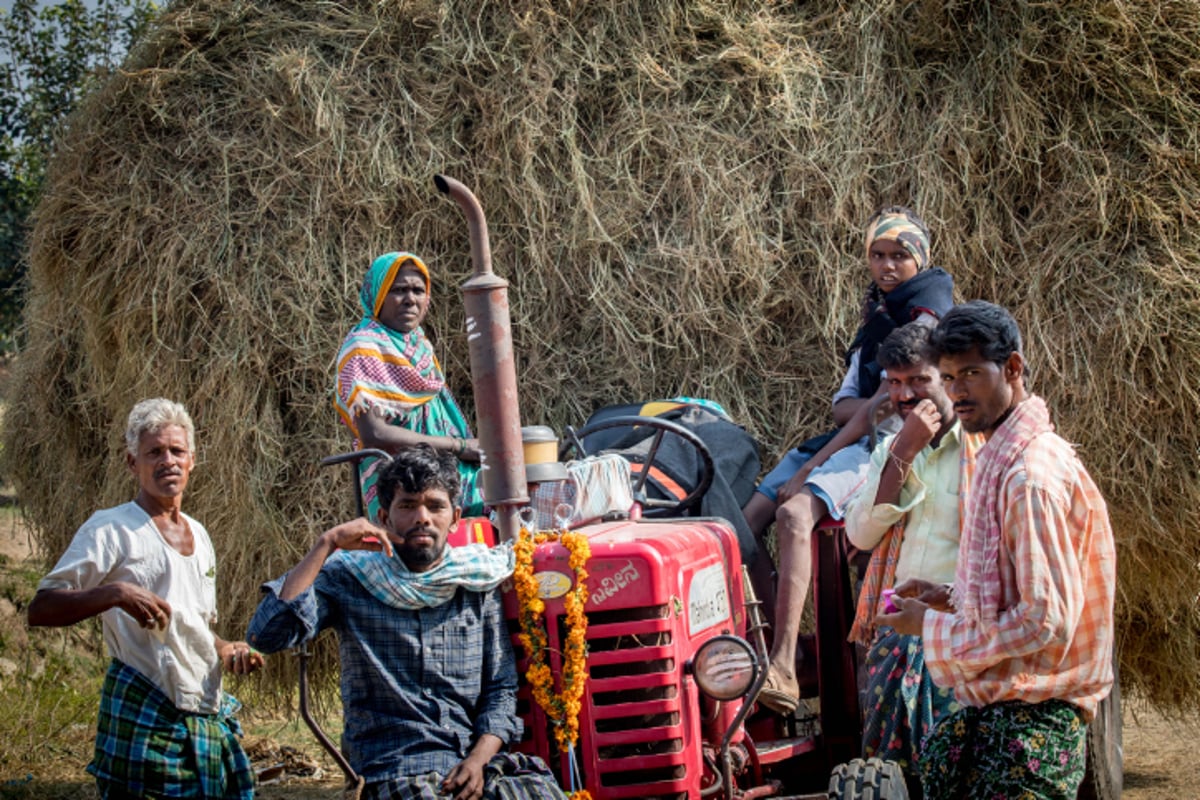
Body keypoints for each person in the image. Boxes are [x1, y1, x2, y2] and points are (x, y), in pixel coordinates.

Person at [880, 301, 1115, 800]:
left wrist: (931, 626)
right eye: (947, 378)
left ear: (1012, 368)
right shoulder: (1002, 458)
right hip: (1000, 721)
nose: (957, 392)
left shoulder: (1029, 477)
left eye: (970, 374)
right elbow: (1015, 592)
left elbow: (1044, 619)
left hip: (1031, 730)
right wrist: (950, 596)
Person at [246, 445, 565, 800]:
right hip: (393, 767)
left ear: (456, 517)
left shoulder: (476, 581)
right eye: (408, 505)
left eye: (435, 505)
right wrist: (327, 544)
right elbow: (266, 634)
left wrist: (477, 761)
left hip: (471, 763)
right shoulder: (350, 578)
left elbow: (500, 690)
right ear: (384, 517)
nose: (423, 517)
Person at [752, 207, 955, 714]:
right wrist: (866, 408)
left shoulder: (930, 317)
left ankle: (783, 667)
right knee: (739, 526)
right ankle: (778, 647)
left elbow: (884, 409)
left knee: (794, 514)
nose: (887, 266)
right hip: (852, 436)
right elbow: (848, 404)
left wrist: (810, 466)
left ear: (921, 259)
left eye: (900, 256)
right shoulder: (876, 321)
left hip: (883, 445)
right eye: (877, 255)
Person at [27, 398, 261, 800]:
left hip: (203, 717)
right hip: (146, 718)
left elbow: (196, 627)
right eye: (154, 452)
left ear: (192, 461)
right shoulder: (112, 529)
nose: (167, 461)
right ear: (131, 463)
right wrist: (114, 593)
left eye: (176, 451)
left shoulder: (200, 535)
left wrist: (226, 650)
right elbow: (42, 608)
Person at [843, 322, 981, 795]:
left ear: (948, 377)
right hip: (897, 636)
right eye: (894, 382)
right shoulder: (893, 448)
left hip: (961, 634)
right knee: (895, 775)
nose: (904, 395)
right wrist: (904, 449)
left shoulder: (982, 450)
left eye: (918, 380)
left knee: (959, 774)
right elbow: (861, 534)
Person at [335, 251, 484, 522]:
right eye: (399, 290)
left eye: (418, 290)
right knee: (503, 490)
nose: (410, 300)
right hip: (401, 476)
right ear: (377, 295)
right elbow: (374, 434)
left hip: (443, 467)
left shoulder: (418, 345)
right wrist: (459, 446)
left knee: (528, 475)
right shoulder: (364, 346)